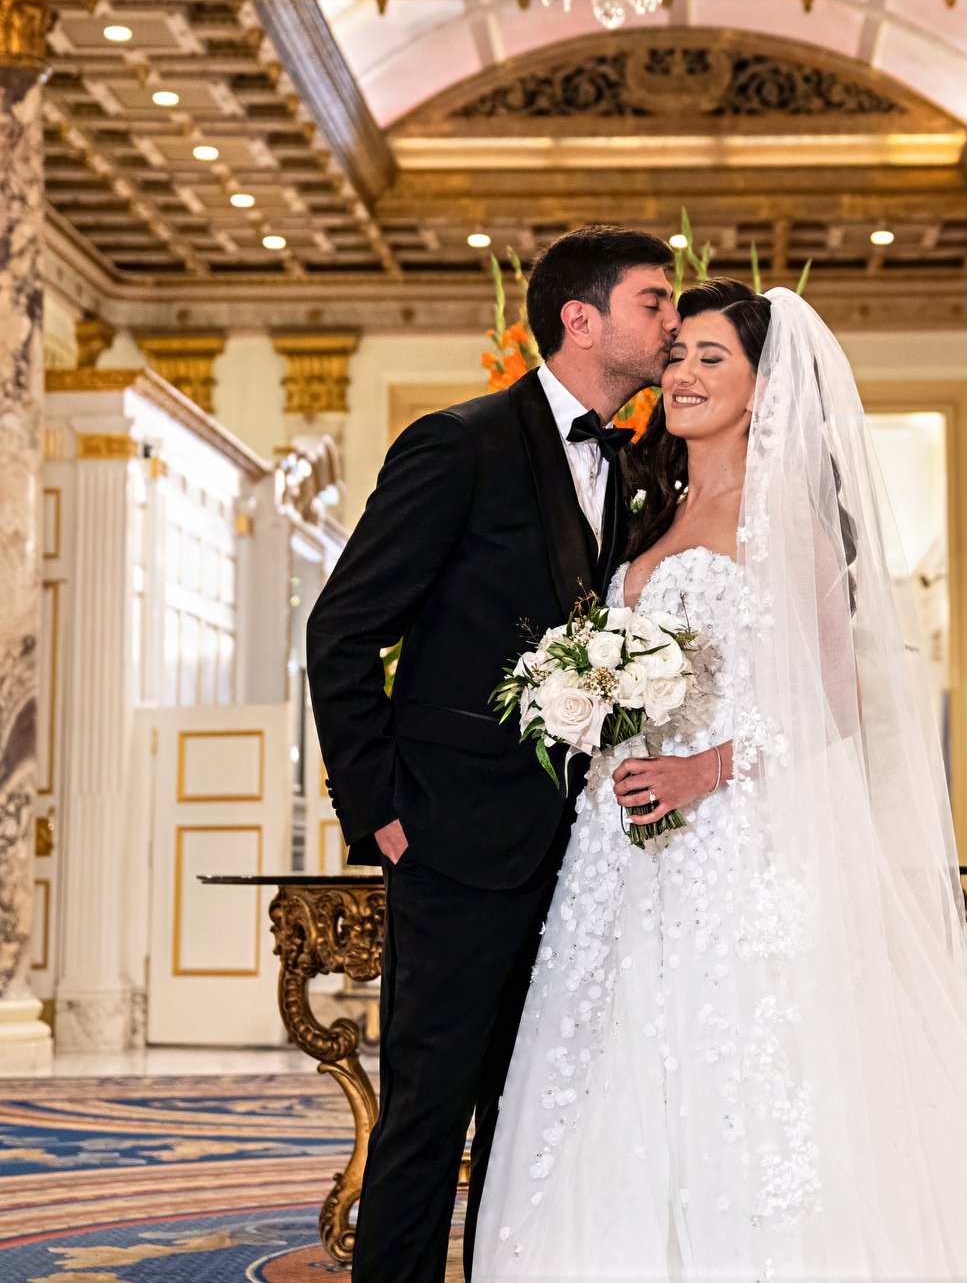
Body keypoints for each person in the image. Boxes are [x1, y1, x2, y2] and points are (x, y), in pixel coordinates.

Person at [474, 279, 967, 1281]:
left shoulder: (784, 512)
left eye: (715, 357)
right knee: (618, 1062)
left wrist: (698, 772)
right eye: (677, 356)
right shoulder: (648, 507)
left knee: (744, 1065)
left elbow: (834, 706)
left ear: (765, 385)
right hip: (623, 851)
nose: (686, 375)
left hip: (735, 841)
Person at [306, 224, 679, 1283]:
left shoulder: (647, 462)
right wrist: (380, 810)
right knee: (427, 1116)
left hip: (587, 856)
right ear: (582, 317)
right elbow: (342, 631)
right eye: (654, 301)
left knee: (542, 1116)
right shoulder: (458, 442)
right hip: (454, 843)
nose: (669, 319)